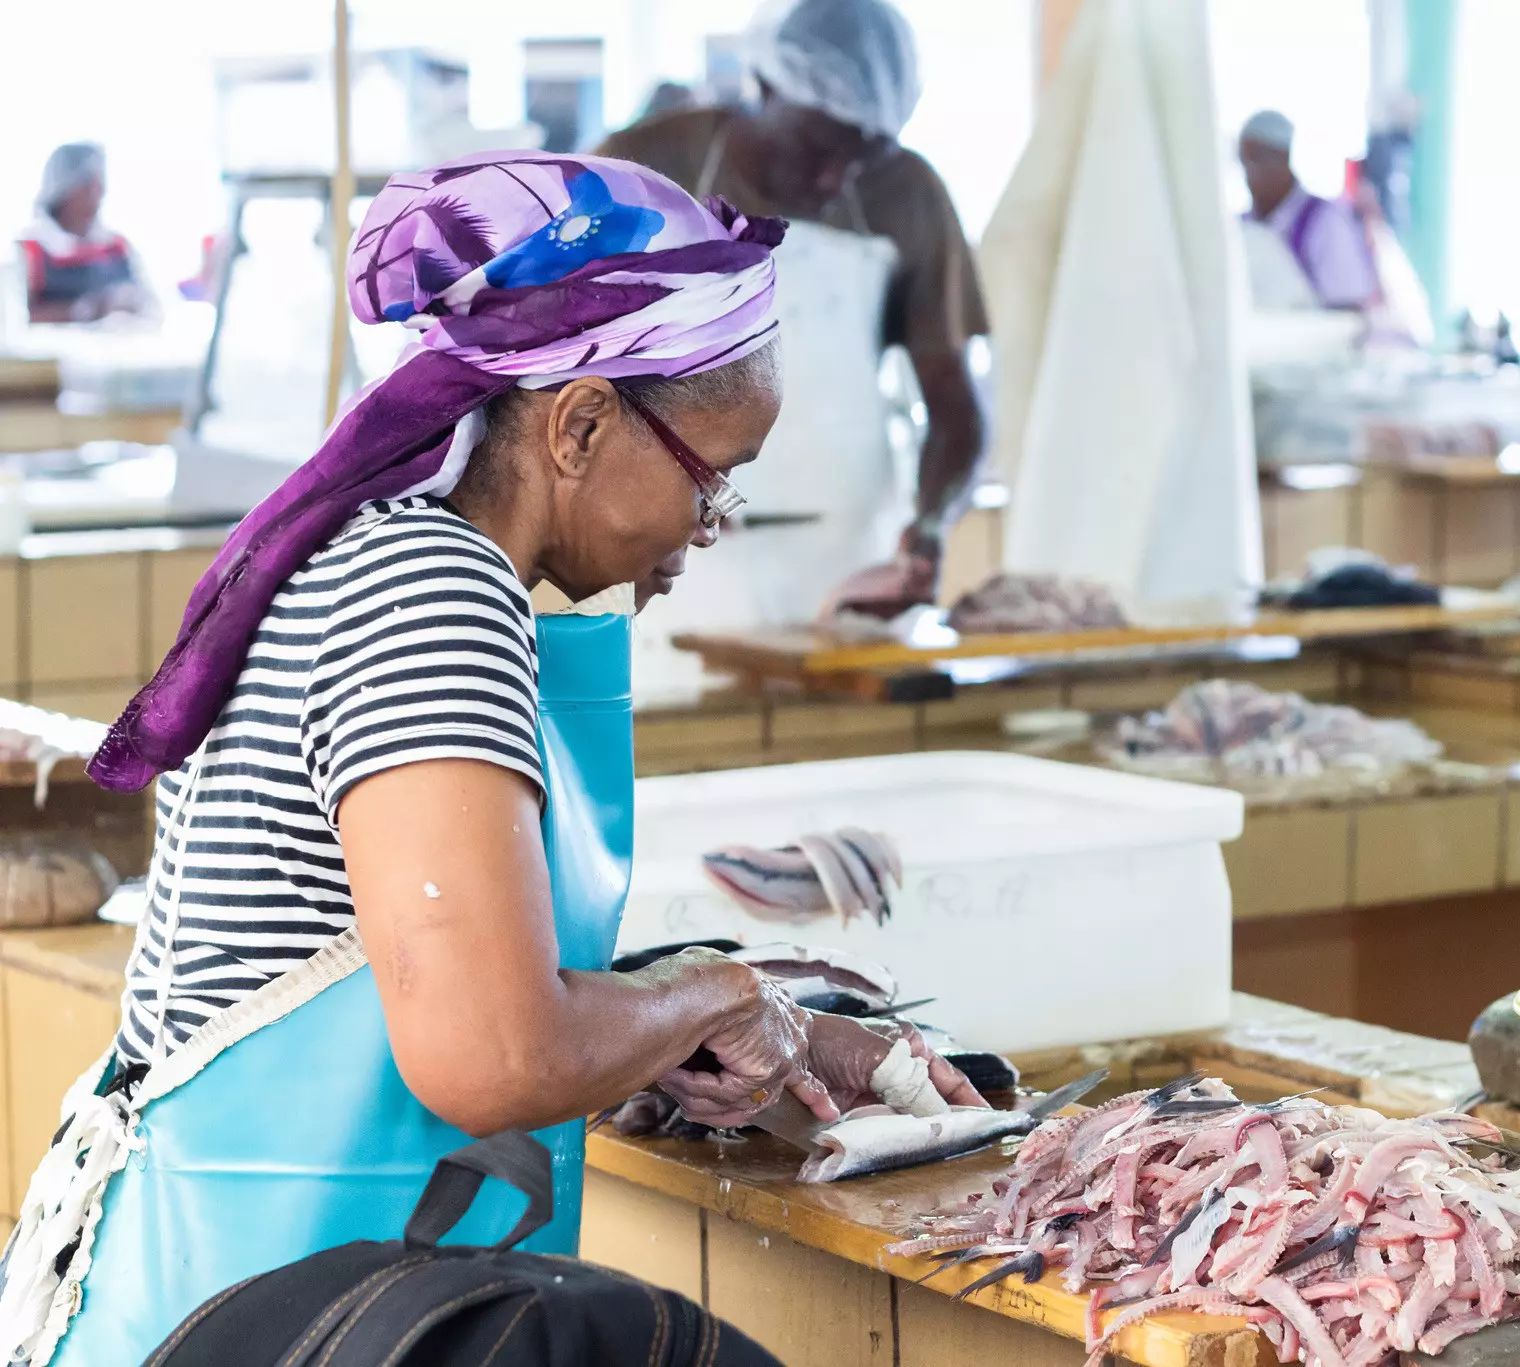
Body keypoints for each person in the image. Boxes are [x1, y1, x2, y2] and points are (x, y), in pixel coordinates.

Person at [0, 151, 982, 1367]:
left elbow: (419, 954)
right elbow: (494, 1052)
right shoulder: (430, 588)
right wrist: (725, 996)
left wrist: (707, 1024)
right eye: (712, 477)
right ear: (576, 425)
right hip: (250, 1315)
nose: (706, 528)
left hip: (285, 1300)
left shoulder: (398, 559)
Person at [597, 0, 986, 631]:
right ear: (767, 84)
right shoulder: (645, 166)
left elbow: (955, 409)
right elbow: (559, 373)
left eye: (864, 157)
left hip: (845, 567)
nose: (835, 178)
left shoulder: (910, 194)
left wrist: (932, 524)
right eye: (817, 145)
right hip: (665, 562)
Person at [1238, 110, 1378, 311]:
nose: (1249, 173)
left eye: (1256, 160)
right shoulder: (1244, 227)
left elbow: (1350, 307)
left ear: (1283, 158)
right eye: (1243, 160)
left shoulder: (1323, 221)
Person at [17, 142, 153, 323]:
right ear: (63, 188)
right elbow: (17, 319)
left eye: (100, 184)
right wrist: (85, 309)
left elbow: (151, 306)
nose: (99, 194)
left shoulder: (117, 247)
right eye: (87, 185)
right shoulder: (29, 249)